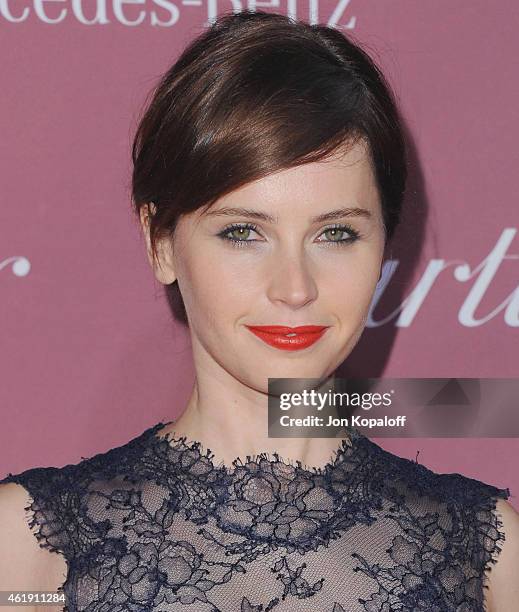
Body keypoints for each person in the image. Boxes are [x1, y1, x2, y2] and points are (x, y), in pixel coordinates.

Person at [1, 10, 518, 612]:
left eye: (338, 234)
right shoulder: (32, 553)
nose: (295, 288)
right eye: (244, 231)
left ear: (384, 243)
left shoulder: (490, 555)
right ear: (160, 242)